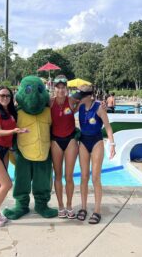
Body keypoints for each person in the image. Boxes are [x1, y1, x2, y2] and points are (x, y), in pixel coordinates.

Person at [0, 86, 26, 227]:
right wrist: (14, 131)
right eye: (2, 95)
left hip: (5, 151)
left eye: (8, 96)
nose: (5, 98)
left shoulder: (10, 112)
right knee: (7, 184)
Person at [77, 85, 116, 224]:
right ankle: (83, 207)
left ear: (88, 96)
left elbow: (108, 127)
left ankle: (97, 210)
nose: (78, 98)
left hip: (96, 142)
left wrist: (112, 145)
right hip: (83, 142)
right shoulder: (79, 106)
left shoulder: (99, 108)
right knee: (84, 177)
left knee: (95, 177)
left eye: (81, 96)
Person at [50, 75, 80, 219]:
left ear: (66, 89)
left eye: (63, 87)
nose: (61, 90)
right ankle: (60, 206)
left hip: (70, 140)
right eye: (58, 87)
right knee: (58, 176)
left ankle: (69, 205)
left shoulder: (71, 100)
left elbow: (88, 100)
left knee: (69, 176)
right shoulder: (49, 102)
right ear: (54, 88)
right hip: (55, 141)